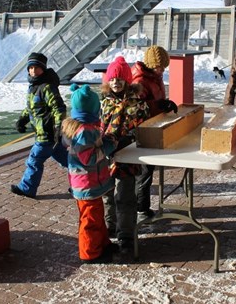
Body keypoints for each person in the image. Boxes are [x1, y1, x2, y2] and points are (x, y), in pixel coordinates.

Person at [62, 84, 119, 264]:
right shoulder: (86, 131)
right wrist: (108, 145)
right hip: (88, 183)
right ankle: (90, 253)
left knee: (95, 215)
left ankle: (102, 244)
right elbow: (89, 157)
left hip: (86, 183)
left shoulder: (79, 128)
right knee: (90, 220)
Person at [100, 56, 150, 253]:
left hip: (128, 156)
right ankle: (110, 226)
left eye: (119, 79)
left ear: (127, 81)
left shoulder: (138, 104)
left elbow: (144, 128)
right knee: (107, 195)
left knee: (125, 196)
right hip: (107, 157)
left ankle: (126, 234)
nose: (115, 83)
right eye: (112, 79)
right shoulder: (105, 103)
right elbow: (101, 126)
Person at [10, 52, 68, 199]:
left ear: (43, 69)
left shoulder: (47, 87)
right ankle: (82, 181)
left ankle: (27, 188)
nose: (33, 71)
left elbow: (59, 108)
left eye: (37, 68)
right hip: (44, 133)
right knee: (67, 160)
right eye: (31, 68)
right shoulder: (33, 87)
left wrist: (58, 128)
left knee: (34, 160)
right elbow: (30, 108)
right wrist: (22, 120)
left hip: (47, 134)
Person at [131, 45, 178, 221]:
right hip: (143, 130)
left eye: (164, 67)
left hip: (153, 126)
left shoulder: (154, 76)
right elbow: (137, 107)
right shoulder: (140, 80)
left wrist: (164, 103)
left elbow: (155, 99)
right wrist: (158, 106)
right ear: (150, 65)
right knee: (144, 171)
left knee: (148, 170)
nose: (162, 70)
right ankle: (140, 209)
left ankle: (142, 206)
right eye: (159, 67)